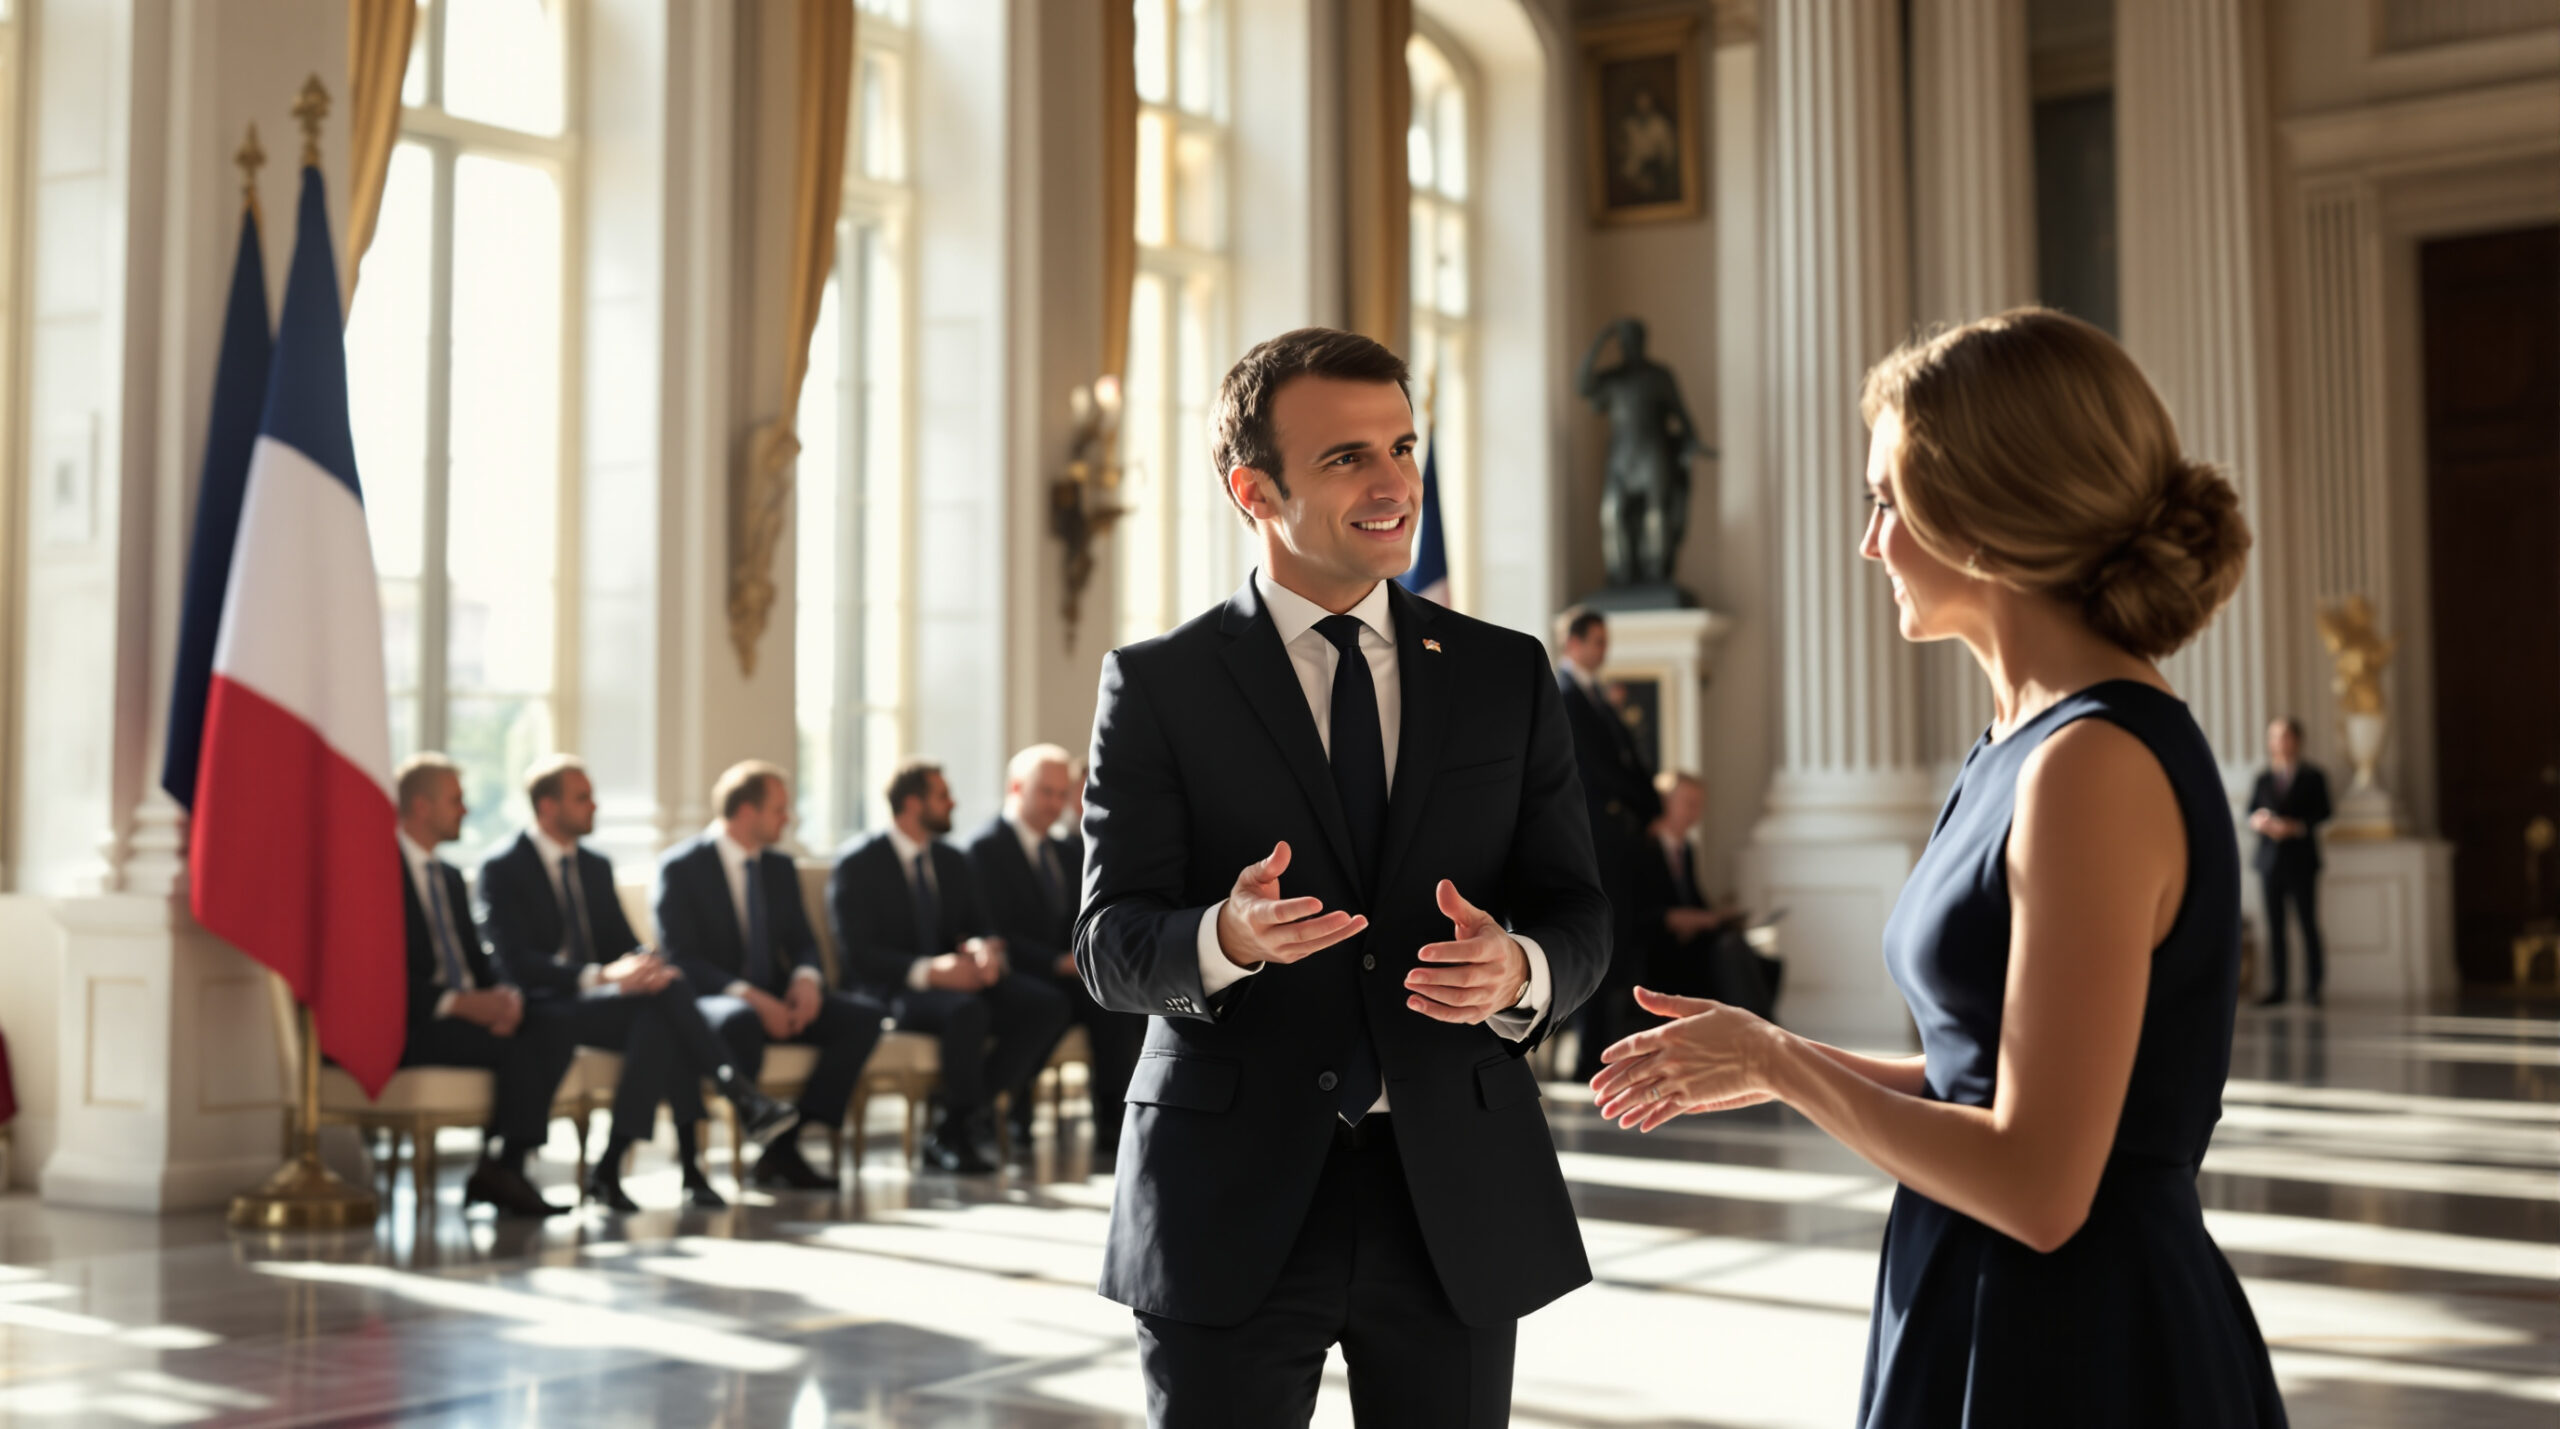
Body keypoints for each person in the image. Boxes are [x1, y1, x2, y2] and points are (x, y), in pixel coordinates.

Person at [1590, 309, 2286, 1426]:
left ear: (1982, 516)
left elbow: (2043, 1186)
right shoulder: (2019, 742)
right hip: (1975, 1289)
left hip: (2077, 1342)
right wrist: (1768, 1058)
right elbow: (1981, 1084)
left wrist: (1778, 1060)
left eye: (1885, 503)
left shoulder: (2089, 763)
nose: (1869, 545)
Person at [1077, 327, 1610, 1428]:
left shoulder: (1504, 675)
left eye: (1403, 447)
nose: (1393, 483)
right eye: (1347, 458)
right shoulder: (1158, 685)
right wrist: (1223, 937)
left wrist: (1521, 968)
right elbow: (1107, 942)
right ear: (1251, 489)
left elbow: (1578, 911)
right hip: (1223, 1200)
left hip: (1451, 1198)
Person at [478, 755, 795, 1211]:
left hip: (601, 1001)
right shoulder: (503, 867)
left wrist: (647, 966)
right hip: (546, 1002)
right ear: (546, 806)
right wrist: (604, 976)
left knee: (665, 999)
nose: (595, 805)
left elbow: (623, 943)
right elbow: (516, 964)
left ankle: (615, 1167)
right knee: (668, 1006)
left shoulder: (594, 866)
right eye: (582, 797)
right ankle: (723, 1111)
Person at [654, 761, 887, 1192]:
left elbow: (802, 940)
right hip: (716, 1000)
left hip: (780, 996)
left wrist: (806, 981)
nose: (788, 818)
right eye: (779, 809)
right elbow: (681, 959)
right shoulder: (681, 868)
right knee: (740, 1021)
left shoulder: (780, 868)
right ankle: (762, 1135)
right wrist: (752, 999)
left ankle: (785, 1143)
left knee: (865, 1018)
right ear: (746, 811)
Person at [829, 759, 1070, 1175]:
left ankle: (961, 1115)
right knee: (966, 1011)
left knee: (1046, 1004)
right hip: (892, 988)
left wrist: (984, 951)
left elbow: (979, 925)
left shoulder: (951, 859)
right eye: (942, 796)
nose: (952, 802)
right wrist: (932, 971)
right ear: (910, 803)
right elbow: (859, 955)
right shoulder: (858, 862)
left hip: (957, 980)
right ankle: (956, 1131)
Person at [392, 753, 579, 1218]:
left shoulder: (452, 878)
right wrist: (457, 1004)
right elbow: (380, 978)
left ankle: (504, 1164)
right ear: (420, 806)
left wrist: (505, 997)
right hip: (414, 1022)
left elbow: (479, 960)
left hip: (469, 1013)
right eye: (456, 800)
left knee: (552, 1024)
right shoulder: (380, 875)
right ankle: (504, 1171)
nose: (466, 810)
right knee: (517, 1050)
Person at [967, 743, 1147, 1159]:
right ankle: (996, 1108)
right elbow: (992, 929)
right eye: (1044, 791)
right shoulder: (984, 849)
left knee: (1118, 999)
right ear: (1016, 788)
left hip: (1069, 971)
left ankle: (1112, 1121)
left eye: (1061, 793)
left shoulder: (1067, 851)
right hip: (1017, 972)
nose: (1055, 802)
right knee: (1047, 1006)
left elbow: (1080, 920)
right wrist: (1055, 962)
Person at [1555, 606, 1659, 1079]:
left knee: (1621, 946)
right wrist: (1647, 805)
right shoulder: (1565, 693)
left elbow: (1628, 760)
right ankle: (1586, 1060)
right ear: (1572, 644)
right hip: (1592, 839)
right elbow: (1599, 768)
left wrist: (1652, 809)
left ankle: (1605, 1052)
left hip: (1618, 840)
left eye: (1604, 641)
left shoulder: (1597, 694)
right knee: (1595, 942)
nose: (1602, 650)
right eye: (1595, 641)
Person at [1631, 771, 1771, 1017]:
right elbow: (1643, 912)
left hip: (1691, 943)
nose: (1694, 811)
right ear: (1666, 803)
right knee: (1730, 949)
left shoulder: (1687, 850)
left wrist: (1717, 915)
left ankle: (1758, 1026)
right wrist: (1699, 919)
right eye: (1688, 803)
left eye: (1698, 804)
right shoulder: (1643, 847)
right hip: (1660, 950)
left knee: (1746, 952)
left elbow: (1695, 901)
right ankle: (1757, 1026)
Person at [2247, 718, 2331, 1007]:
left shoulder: (2313, 776)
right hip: (2270, 861)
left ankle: (2313, 988)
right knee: (2275, 927)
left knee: (2308, 924)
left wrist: (2294, 827)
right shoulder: (2263, 778)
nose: (2279, 742)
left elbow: (2324, 812)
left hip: (2302, 860)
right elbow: (2250, 811)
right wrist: (2260, 822)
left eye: (2284, 736)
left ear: (2297, 740)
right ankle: (2278, 988)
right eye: (2274, 736)